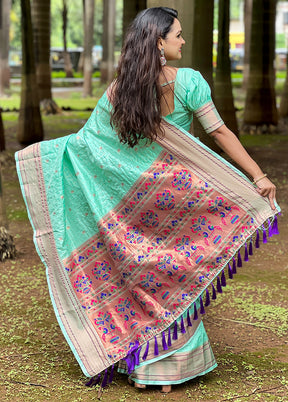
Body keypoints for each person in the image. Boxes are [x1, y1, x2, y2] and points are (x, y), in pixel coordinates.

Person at [15, 6, 279, 395]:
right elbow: (220, 133)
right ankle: (171, 369)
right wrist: (257, 174)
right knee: (181, 276)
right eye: (178, 35)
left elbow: (89, 146)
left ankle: (147, 368)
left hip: (139, 205)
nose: (183, 41)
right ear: (159, 42)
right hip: (183, 200)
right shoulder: (189, 82)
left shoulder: (119, 90)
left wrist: (42, 159)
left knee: (148, 279)